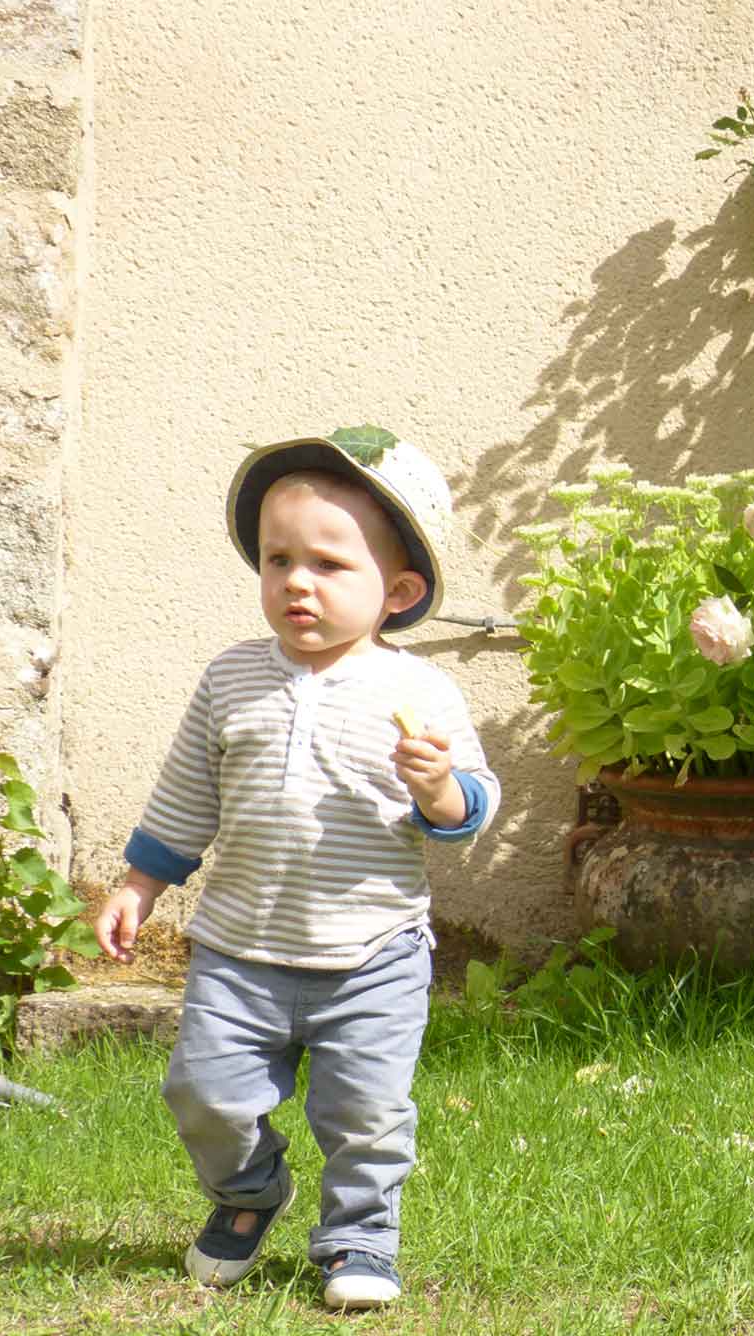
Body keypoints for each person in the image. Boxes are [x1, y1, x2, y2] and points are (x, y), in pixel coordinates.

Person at [92, 431, 500, 1311]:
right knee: (203, 1094)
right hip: (239, 950)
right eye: (278, 560)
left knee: (366, 1115)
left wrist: (440, 790)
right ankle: (247, 1196)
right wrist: (137, 885)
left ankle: (360, 1238)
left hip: (374, 955)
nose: (296, 583)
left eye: (327, 563)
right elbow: (185, 796)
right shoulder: (232, 678)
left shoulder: (420, 691)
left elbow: (471, 805)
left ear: (398, 591)